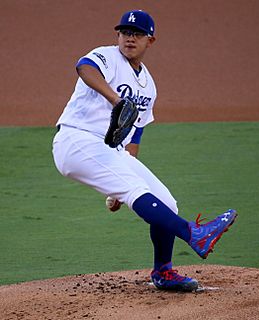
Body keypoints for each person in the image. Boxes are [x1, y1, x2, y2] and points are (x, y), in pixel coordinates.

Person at [52, 10, 237, 292]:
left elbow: (133, 139)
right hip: (77, 140)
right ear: (118, 36)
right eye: (125, 32)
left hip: (110, 151)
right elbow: (84, 67)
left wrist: (115, 187)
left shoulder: (148, 86)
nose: (130, 38)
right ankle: (194, 234)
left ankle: (163, 271)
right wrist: (115, 99)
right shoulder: (108, 57)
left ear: (150, 40)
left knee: (166, 203)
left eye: (137, 33)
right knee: (136, 190)